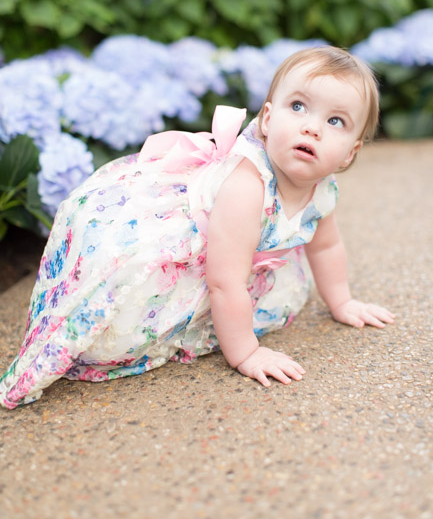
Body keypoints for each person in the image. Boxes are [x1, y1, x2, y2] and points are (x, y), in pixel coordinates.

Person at [0, 46, 395, 409]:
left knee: (269, 282)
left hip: (236, 257)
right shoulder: (247, 187)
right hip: (194, 247)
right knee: (122, 317)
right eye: (298, 107)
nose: (313, 128)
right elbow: (224, 282)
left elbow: (325, 247)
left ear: (350, 153)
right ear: (269, 120)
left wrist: (341, 302)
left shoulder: (322, 190)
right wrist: (246, 352)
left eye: (336, 121)